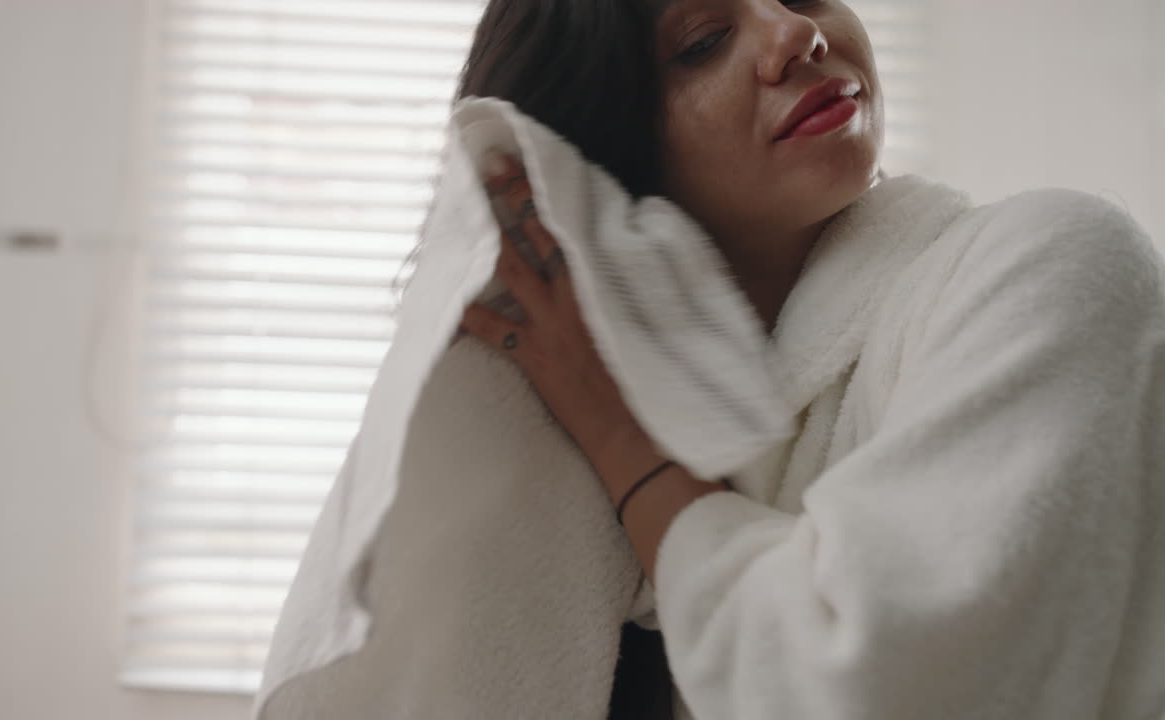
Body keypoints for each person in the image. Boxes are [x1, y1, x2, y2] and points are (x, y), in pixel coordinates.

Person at [440, 0, 1165, 718]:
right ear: (601, 152)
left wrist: (628, 449)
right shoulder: (564, 494)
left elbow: (875, 689)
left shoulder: (1055, 257)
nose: (797, 33)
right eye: (704, 41)